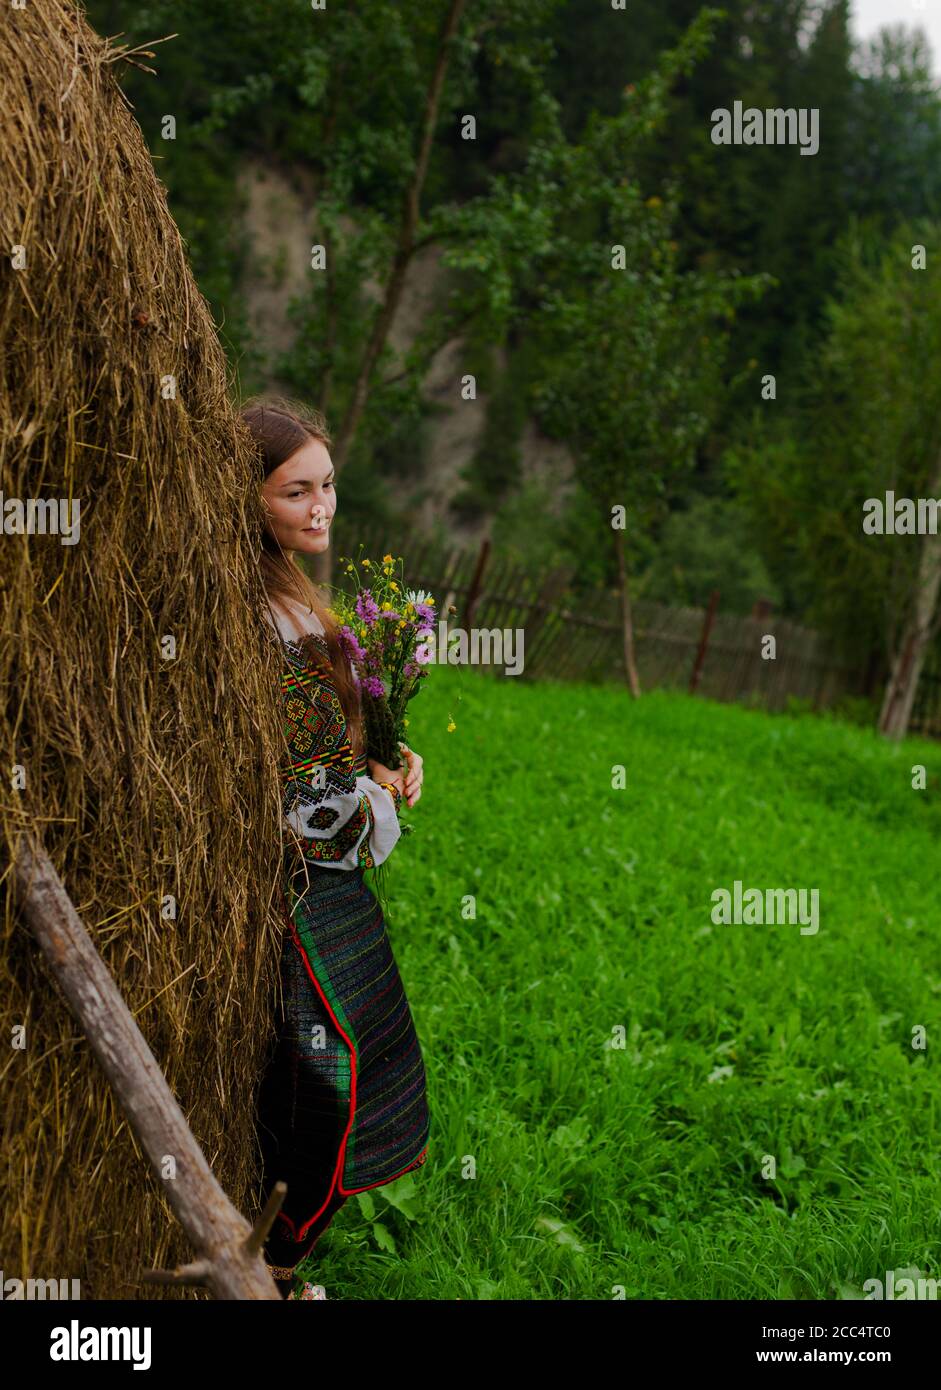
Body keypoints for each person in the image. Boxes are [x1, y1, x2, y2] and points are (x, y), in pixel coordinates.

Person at [243, 397, 430, 1300]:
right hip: (291, 882)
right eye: (295, 492)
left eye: (328, 488)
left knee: (371, 1052)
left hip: (334, 878)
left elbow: (329, 741)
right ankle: (270, 1266)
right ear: (249, 499)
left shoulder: (294, 588)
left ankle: (282, 1261)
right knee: (323, 1075)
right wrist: (350, 797)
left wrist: (388, 758)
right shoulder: (243, 608)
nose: (320, 509)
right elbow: (273, 770)